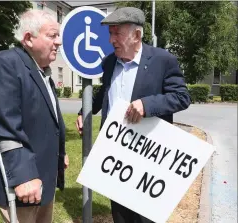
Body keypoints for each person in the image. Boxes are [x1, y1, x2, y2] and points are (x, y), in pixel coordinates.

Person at [75, 7, 191, 223]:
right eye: (110, 33)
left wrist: (147, 105)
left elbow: (182, 97)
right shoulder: (109, 63)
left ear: (137, 35)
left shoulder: (163, 60)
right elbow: (103, 94)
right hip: (115, 153)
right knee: (120, 215)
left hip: (147, 155)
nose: (111, 40)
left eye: (116, 33)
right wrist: (85, 112)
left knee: (145, 216)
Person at [0, 9, 69, 223]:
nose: (59, 42)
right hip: (22, 182)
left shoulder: (42, 71)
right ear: (28, 39)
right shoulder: (4, 64)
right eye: (52, 35)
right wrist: (24, 176)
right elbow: (4, 125)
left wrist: (60, 153)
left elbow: (49, 119)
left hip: (43, 176)